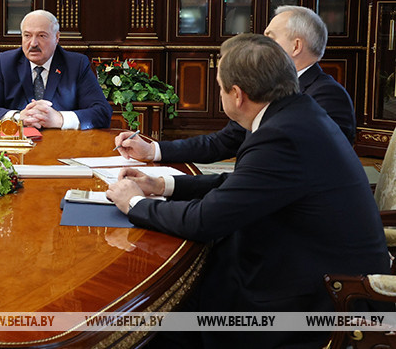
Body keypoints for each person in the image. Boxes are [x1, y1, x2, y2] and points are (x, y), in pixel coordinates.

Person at [106, 34, 389, 348]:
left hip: (313, 304)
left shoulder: (282, 136)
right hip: (310, 271)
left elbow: (205, 221)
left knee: (156, 325)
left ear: (237, 95)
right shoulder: (296, 114)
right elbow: (242, 185)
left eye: (219, 86)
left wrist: (133, 203)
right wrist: (161, 185)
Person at [114, 5, 355, 163]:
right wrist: (154, 150)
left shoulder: (328, 96)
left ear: (296, 46)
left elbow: (318, 169)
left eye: (270, 37)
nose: (260, 44)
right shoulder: (269, 86)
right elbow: (225, 141)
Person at [0, 10, 111, 130]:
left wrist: (60, 119)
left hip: (63, 144)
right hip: (18, 144)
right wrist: (18, 117)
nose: (33, 43)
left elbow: (102, 112)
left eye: (42, 36)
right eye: (27, 35)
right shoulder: (5, 62)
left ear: (57, 37)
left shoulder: (76, 64)